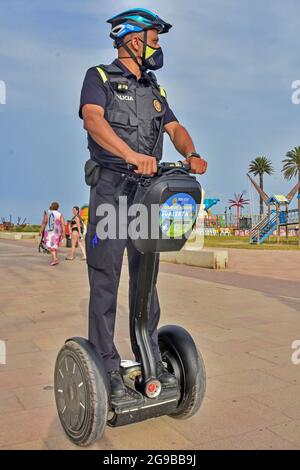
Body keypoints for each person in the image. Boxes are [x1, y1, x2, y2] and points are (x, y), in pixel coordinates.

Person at [79, 8, 208, 398]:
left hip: (147, 195)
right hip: (111, 192)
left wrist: (192, 152)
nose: (158, 46)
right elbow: (92, 120)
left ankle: (150, 358)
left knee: (146, 280)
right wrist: (130, 155)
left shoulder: (156, 91)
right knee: (106, 281)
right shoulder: (98, 78)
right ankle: (107, 367)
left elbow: (175, 127)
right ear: (134, 41)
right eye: (155, 39)